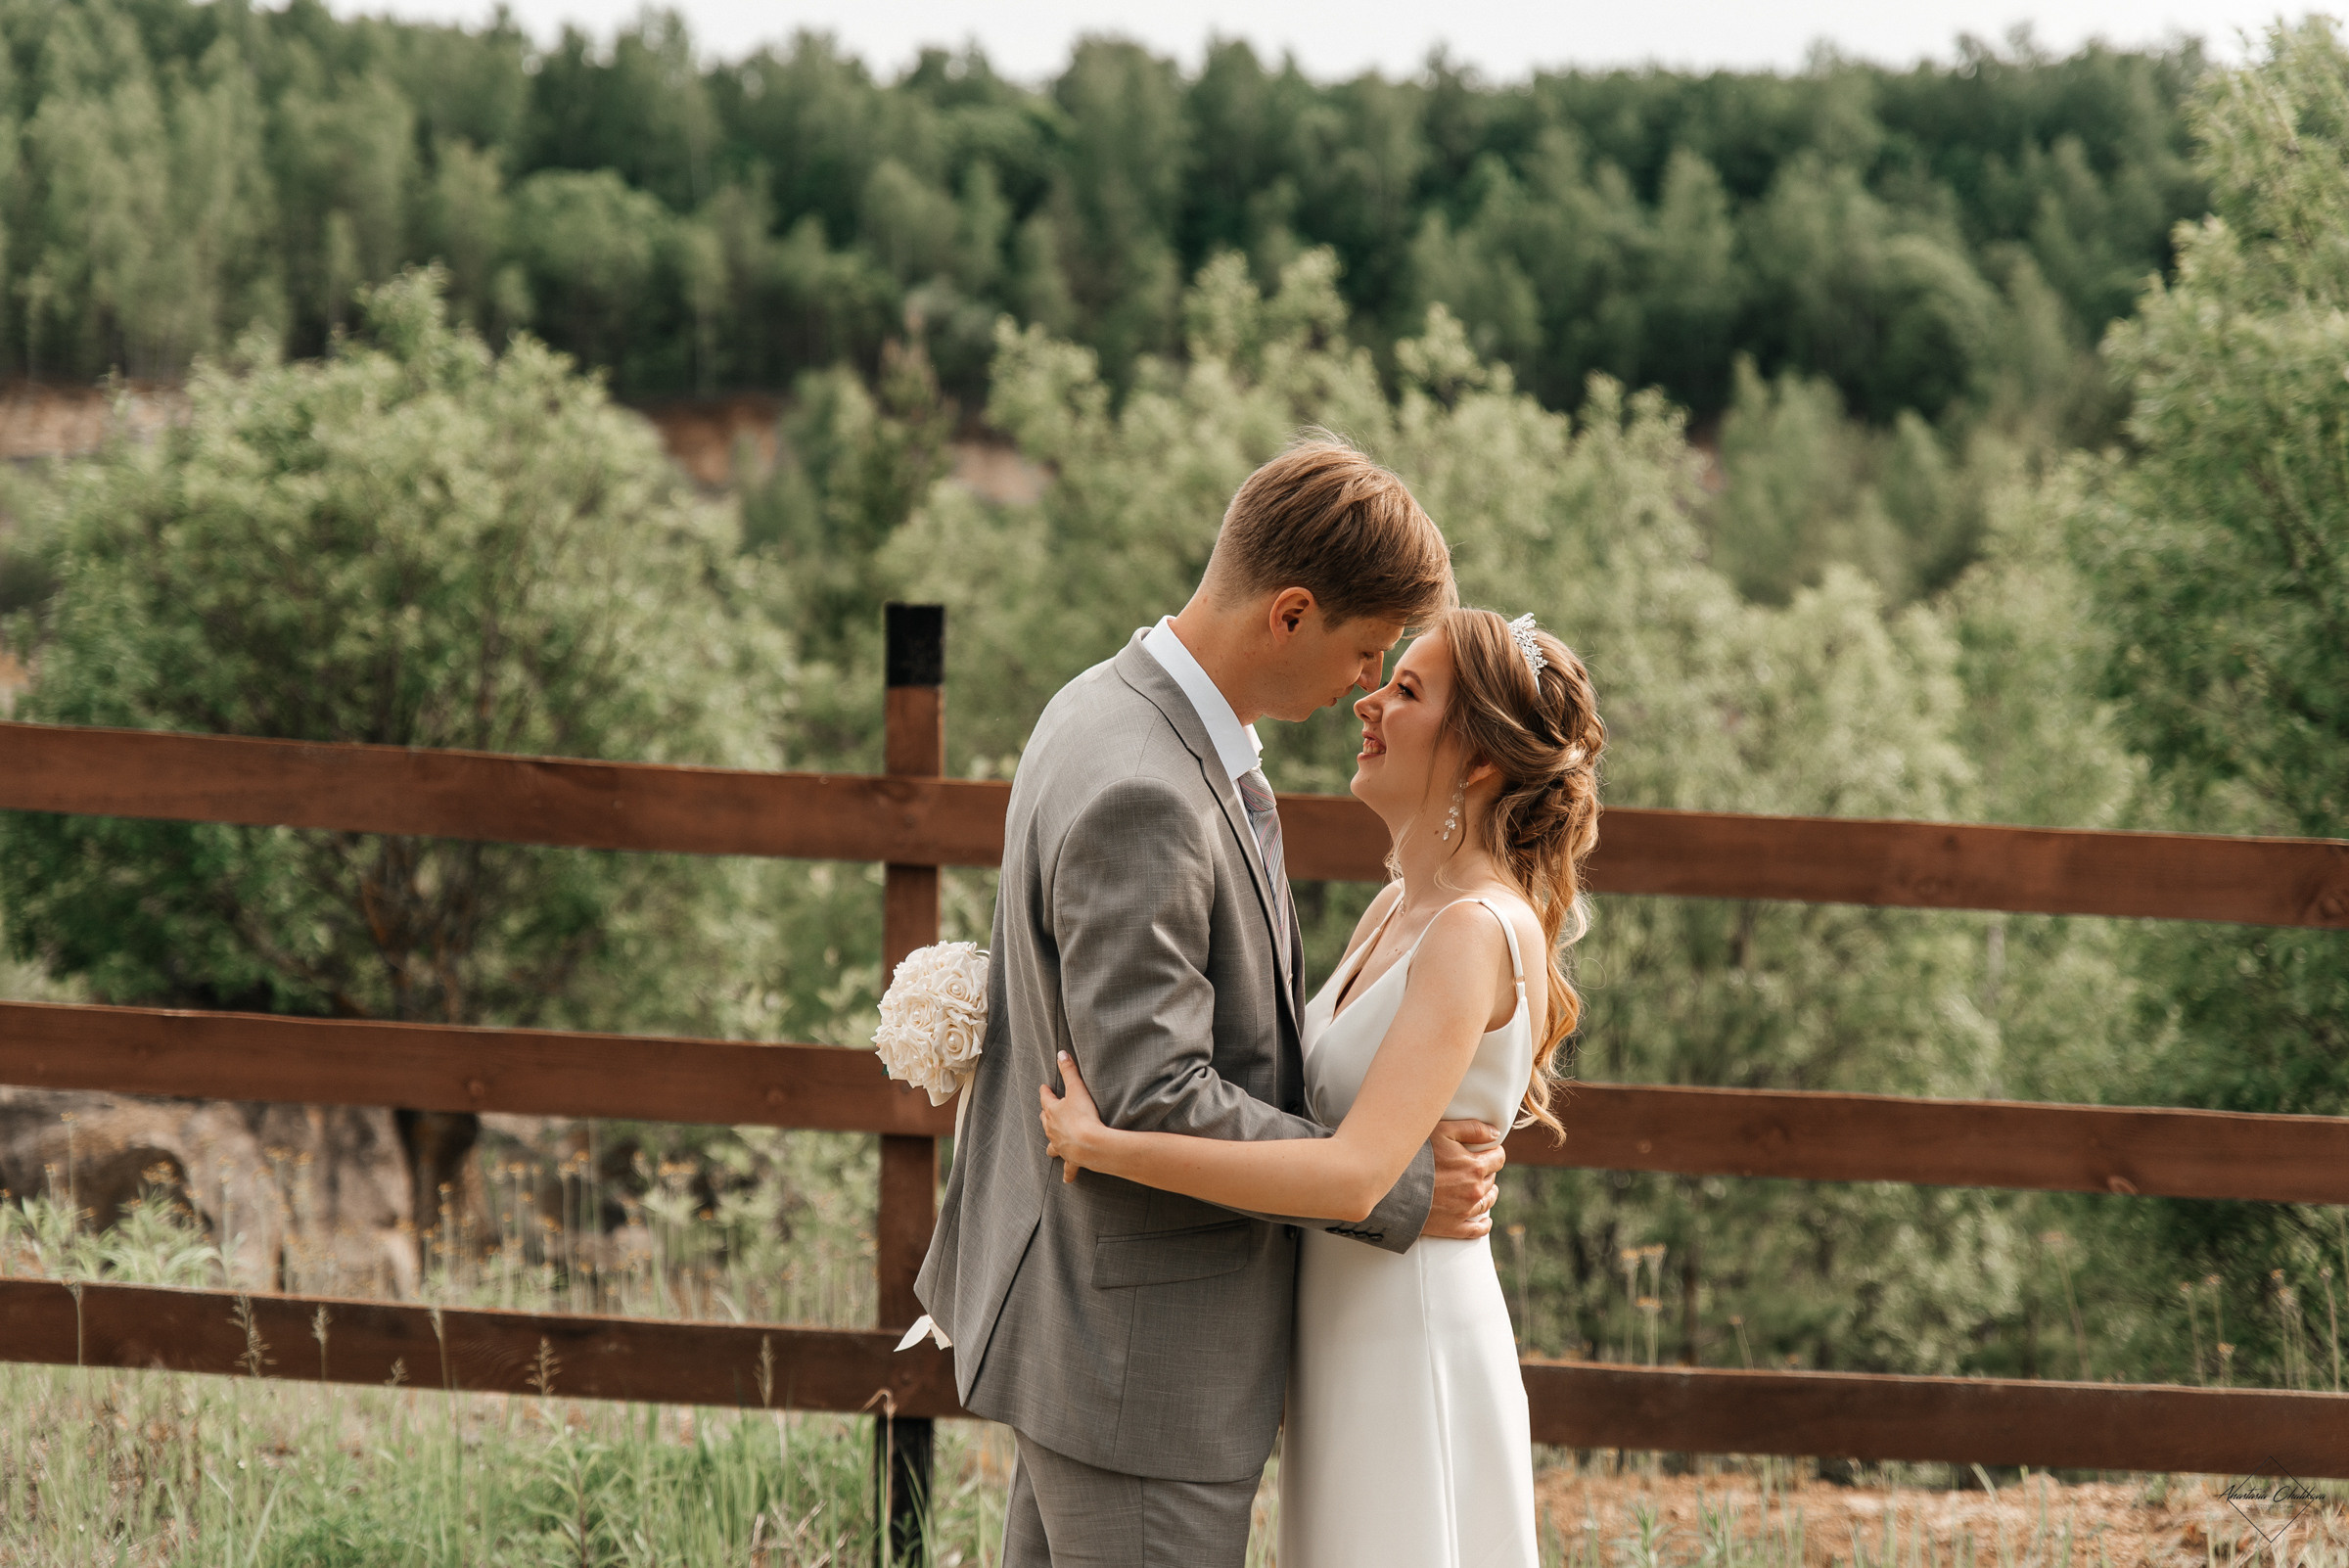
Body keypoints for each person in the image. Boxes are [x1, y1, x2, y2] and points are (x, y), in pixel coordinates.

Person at [912, 436, 1510, 1567]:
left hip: (1090, 1327)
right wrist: (1394, 1186)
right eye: (1364, 649)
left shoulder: (1104, 703)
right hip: (1144, 1360)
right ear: (1289, 613)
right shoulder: (1146, 784)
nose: (1364, 688)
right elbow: (1153, 1095)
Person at [1039, 605, 1604, 1568]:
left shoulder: (1472, 930)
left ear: (1475, 763)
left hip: (1407, 1335)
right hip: (1344, 1329)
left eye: (1410, 691)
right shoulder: (1397, 907)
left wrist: (1109, 1146)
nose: (1369, 701)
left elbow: (1351, 1177)